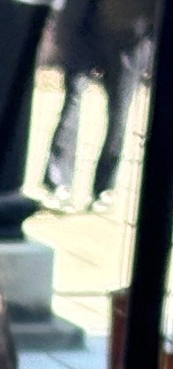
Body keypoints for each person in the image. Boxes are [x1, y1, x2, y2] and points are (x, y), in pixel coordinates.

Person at [42, 0, 154, 212]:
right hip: (84, 29)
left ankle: (104, 187)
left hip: (128, 35)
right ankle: (59, 183)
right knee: (72, 104)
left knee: (119, 114)